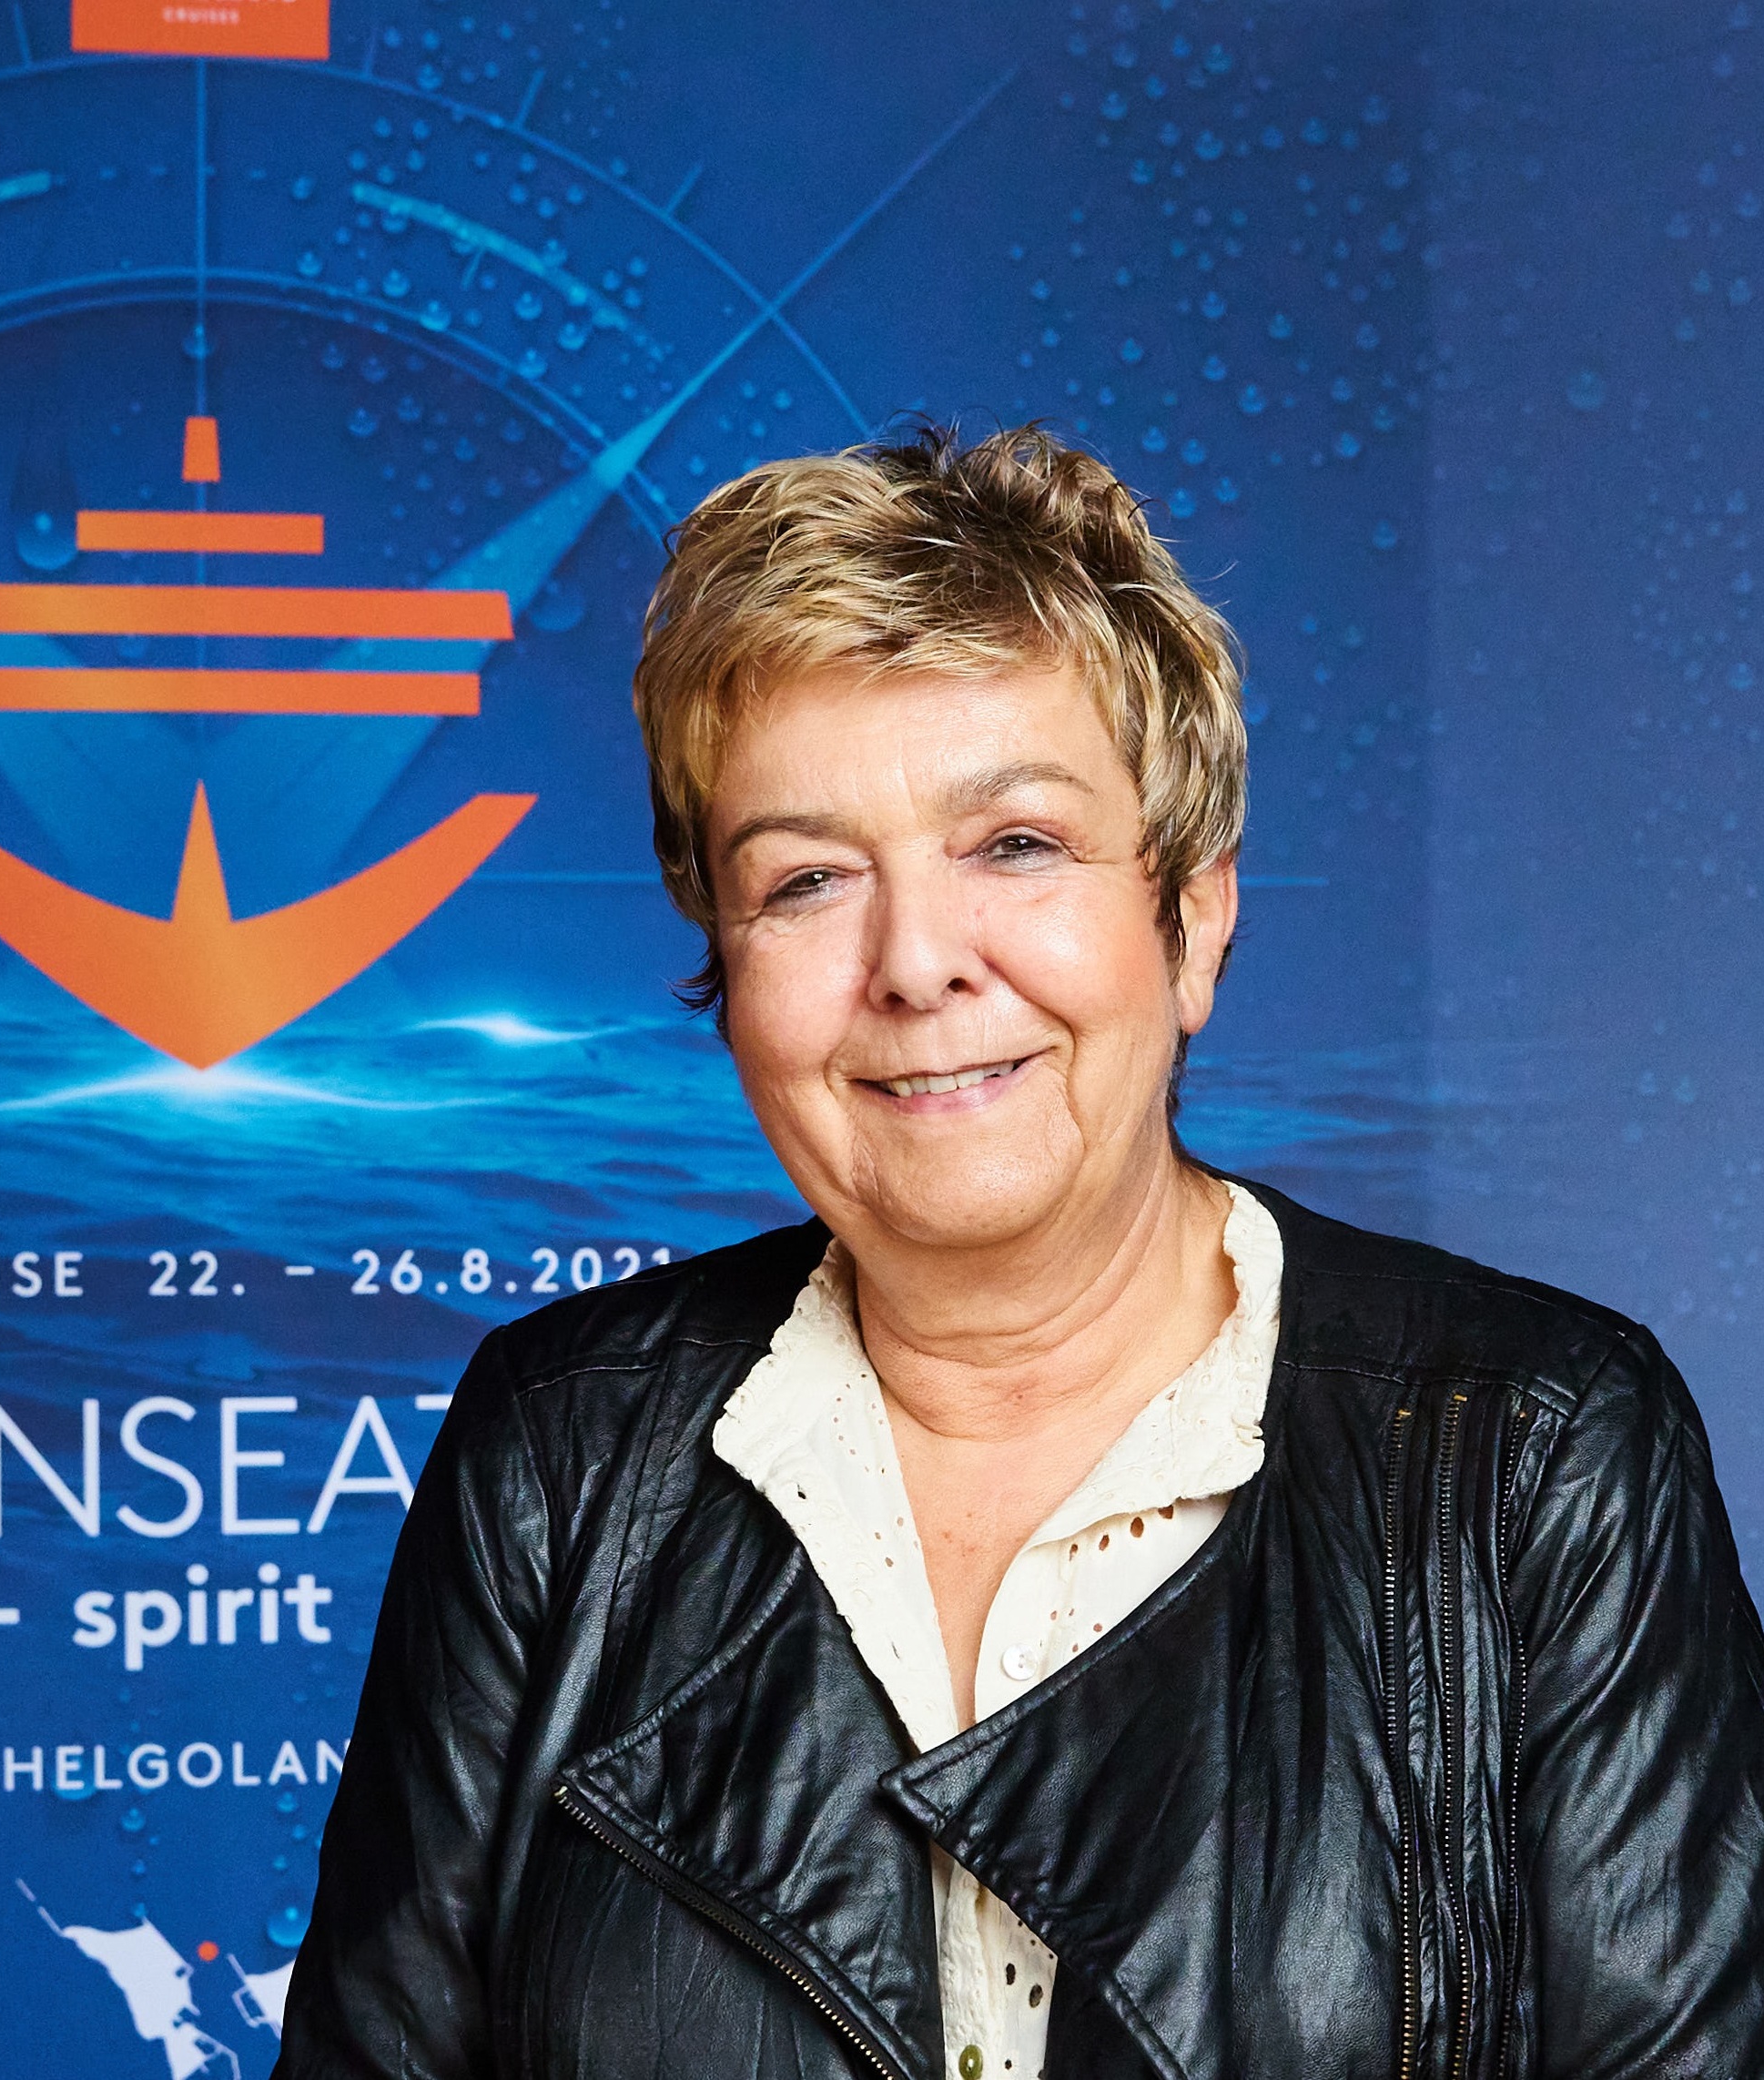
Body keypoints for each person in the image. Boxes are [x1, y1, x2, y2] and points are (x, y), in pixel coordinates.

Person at [282, 425, 1764, 2077]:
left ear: (1192, 916)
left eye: (1014, 845)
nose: (915, 961)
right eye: (804, 878)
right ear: (724, 963)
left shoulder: (1541, 1447)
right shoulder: (557, 1448)